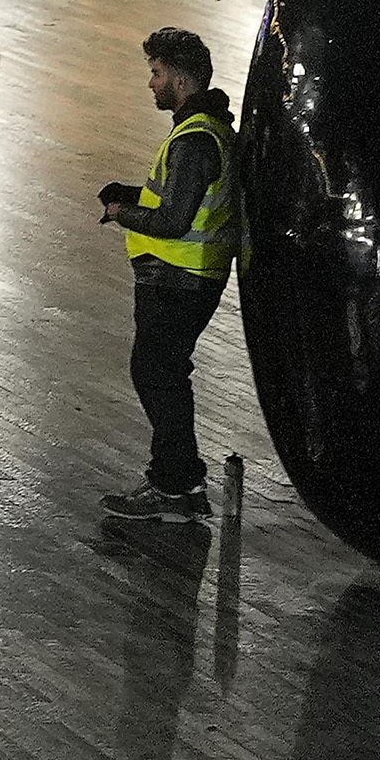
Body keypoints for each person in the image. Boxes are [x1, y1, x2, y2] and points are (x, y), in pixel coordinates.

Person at [95, 28, 243, 524]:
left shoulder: (195, 140)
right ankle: (180, 478)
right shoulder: (207, 129)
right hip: (186, 277)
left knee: (157, 374)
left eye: (156, 74)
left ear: (179, 80)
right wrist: (135, 193)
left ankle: (172, 484)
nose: (150, 84)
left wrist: (121, 212)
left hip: (180, 278)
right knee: (162, 373)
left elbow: (174, 221)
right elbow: (177, 199)